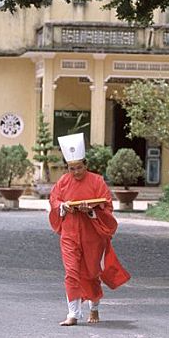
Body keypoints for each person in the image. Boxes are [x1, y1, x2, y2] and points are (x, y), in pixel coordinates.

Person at [49, 133, 130, 326]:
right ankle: (73, 314)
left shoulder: (97, 181)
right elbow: (54, 200)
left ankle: (94, 307)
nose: (75, 172)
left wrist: (91, 211)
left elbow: (107, 207)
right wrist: (63, 206)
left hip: (92, 235)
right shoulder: (63, 182)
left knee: (92, 273)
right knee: (71, 272)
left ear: (86, 165)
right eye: (71, 168)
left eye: (79, 167)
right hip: (69, 233)